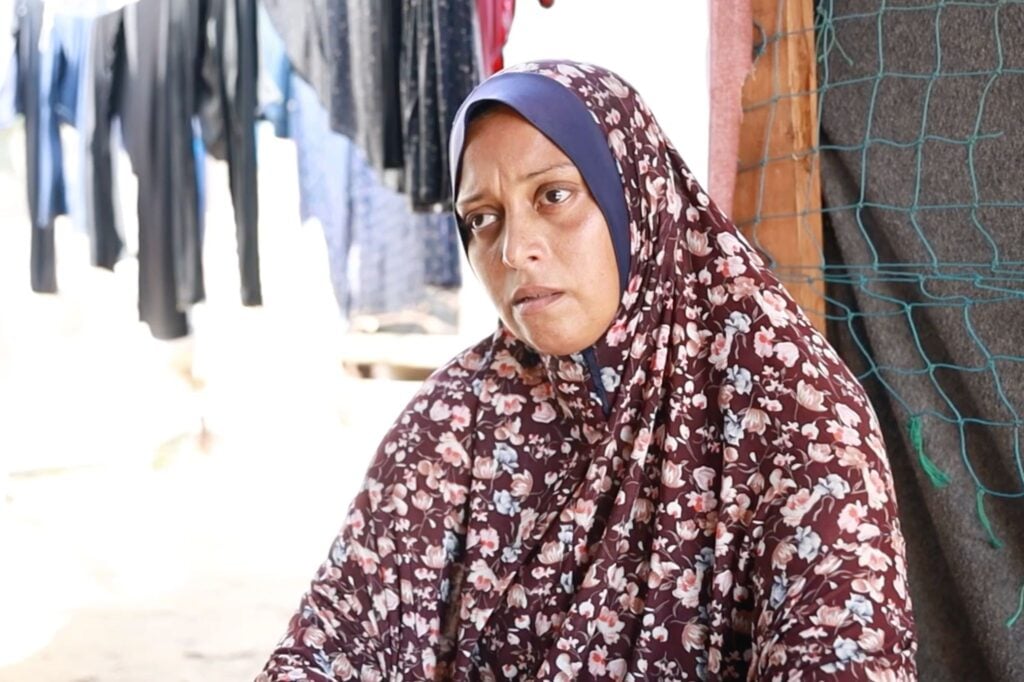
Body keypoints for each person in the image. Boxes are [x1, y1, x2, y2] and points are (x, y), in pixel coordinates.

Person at [257, 60, 917, 681]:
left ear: (633, 198)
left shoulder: (795, 412)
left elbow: (843, 656)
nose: (515, 250)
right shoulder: (463, 413)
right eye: (482, 219)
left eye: (554, 195)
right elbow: (333, 639)